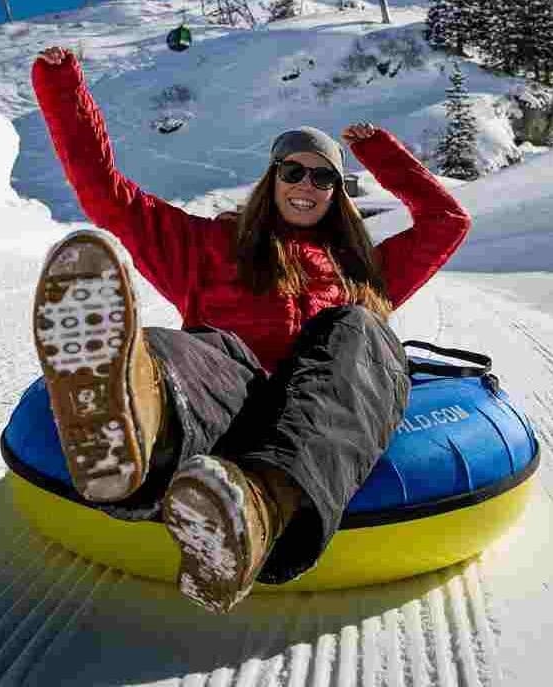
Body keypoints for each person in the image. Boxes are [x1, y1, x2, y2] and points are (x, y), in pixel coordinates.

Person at [29, 45, 470, 613]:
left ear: (338, 192)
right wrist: (63, 85)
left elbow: (447, 222)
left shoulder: (361, 269)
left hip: (315, 411)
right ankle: (131, 428)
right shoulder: (211, 245)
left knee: (358, 326)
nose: (305, 184)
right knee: (192, 347)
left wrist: (378, 152)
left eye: (323, 176)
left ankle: (262, 507)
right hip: (226, 394)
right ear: (273, 178)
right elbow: (105, 194)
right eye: (293, 171)